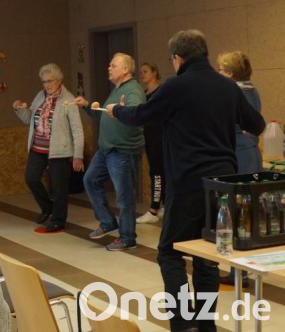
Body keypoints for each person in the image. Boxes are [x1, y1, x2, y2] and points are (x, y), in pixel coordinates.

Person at [105, 30, 265, 331]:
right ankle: (205, 325)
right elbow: (255, 124)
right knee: (207, 256)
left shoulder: (176, 87)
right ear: (204, 53)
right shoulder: (228, 88)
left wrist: (117, 110)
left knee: (170, 252)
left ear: (177, 58)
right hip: (221, 186)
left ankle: (182, 323)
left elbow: (142, 114)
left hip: (187, 182)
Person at [73, 52, 145, 251]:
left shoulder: (132, 90)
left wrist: (122, 110)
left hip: (122, 150)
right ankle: (107, 222)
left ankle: (127, 236)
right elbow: (107, 116)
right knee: (90, 179)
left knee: (124, 195)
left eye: (113, 65)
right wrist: (88, 107)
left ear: (125, 69)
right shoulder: (117, 90)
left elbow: (136, 113)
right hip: (107, 149)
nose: (109, 68)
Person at [12, 63, 84, 233]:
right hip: (38, 147)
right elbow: (30, 119)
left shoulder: (68, 100)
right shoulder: (40, 96)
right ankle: (48, 207)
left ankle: (58, 220)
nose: (47, 85)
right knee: (31, 178)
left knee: (59, 188)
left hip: (60, 149)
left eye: (50, 81)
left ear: (59, 80)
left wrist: (78, 155)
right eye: (44, 82)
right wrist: (19, 109)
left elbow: (77, 130)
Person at [216, 51, 262, 287]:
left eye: (221, 70)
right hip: (250, 153)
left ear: (231, 74)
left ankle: (239, 272)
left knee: (238, 214)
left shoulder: (238, 94)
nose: (218, 74)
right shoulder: (251, 90)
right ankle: (241, 270)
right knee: (245, 213)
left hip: (241, 156)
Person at [136, 63, 166, 224]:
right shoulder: (143, 94)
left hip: (159, 138)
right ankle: (163, 205)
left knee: (158, 173)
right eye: (140, 72)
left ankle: (154, 209)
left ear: (155, 73)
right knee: (156, 172)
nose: (142, 75)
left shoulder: (160, 92)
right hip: (148, 136)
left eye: (145, 71)